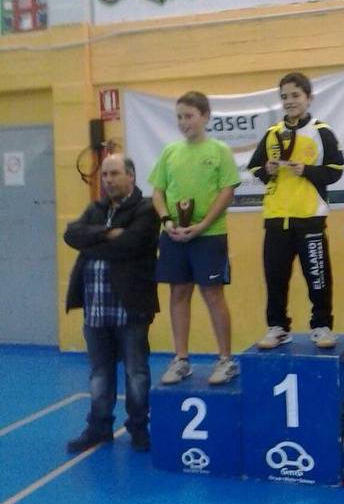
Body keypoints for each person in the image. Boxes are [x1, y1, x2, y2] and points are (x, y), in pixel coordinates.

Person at [64, 154, 160, 453]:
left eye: (114, 173)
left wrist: (91, 245)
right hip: (95, 308)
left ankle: (139, 428)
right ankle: (99, 428)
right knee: (99, 372)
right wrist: (106, 233)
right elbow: (71, 234)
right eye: (105, 174)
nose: (108, 180)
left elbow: (133, 244)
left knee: (136, 372)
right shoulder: (95, 209)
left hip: (131, 306)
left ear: (131, 175)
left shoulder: (147, 210)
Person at [247, 71, 344, 349]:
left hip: (310, 218)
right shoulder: (272, 134)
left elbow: (336, 169)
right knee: (275, 278)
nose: (289, 101)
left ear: (309, 98)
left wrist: (307, 170)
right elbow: (254, 167)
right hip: (276, 218)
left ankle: (322, 326)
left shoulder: (321, 131)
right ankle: (277, 327)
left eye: (295, 95)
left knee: (318, 276)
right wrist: (266, 170)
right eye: (284, 97)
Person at [149, 91, 240, 385]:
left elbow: (227, 192)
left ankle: (226, 360)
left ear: (205, 116)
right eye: (179, 117)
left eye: (189, 116)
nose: (183, 122)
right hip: (174, 236)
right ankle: (181, 359)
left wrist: (201, 226)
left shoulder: (219, 151)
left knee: (213, 294)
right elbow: (158, 192)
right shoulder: (170, 152)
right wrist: (167, 221)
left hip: (209, 236)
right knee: (178, 293)